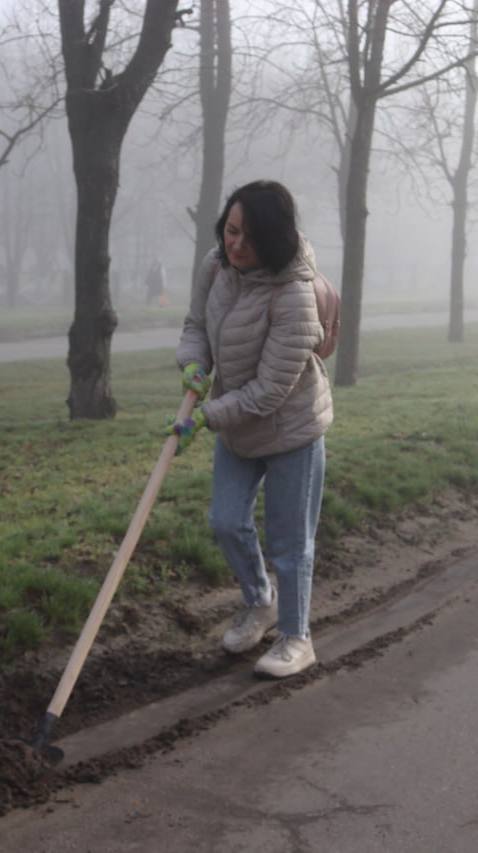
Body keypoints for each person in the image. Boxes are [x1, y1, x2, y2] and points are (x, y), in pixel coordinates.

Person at [170, 180, 333, 678]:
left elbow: (268, 393)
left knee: (289, 544)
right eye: (231, 230)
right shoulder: (216, 264)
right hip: (239, 427)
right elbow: (196, 324)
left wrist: (207, 416)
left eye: (249, 237)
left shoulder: (293, 296)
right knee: (224, 521)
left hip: (291, 431)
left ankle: (296, 637)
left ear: (276, 241)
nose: (235, 244)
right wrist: (194, 366)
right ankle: (260, 600)